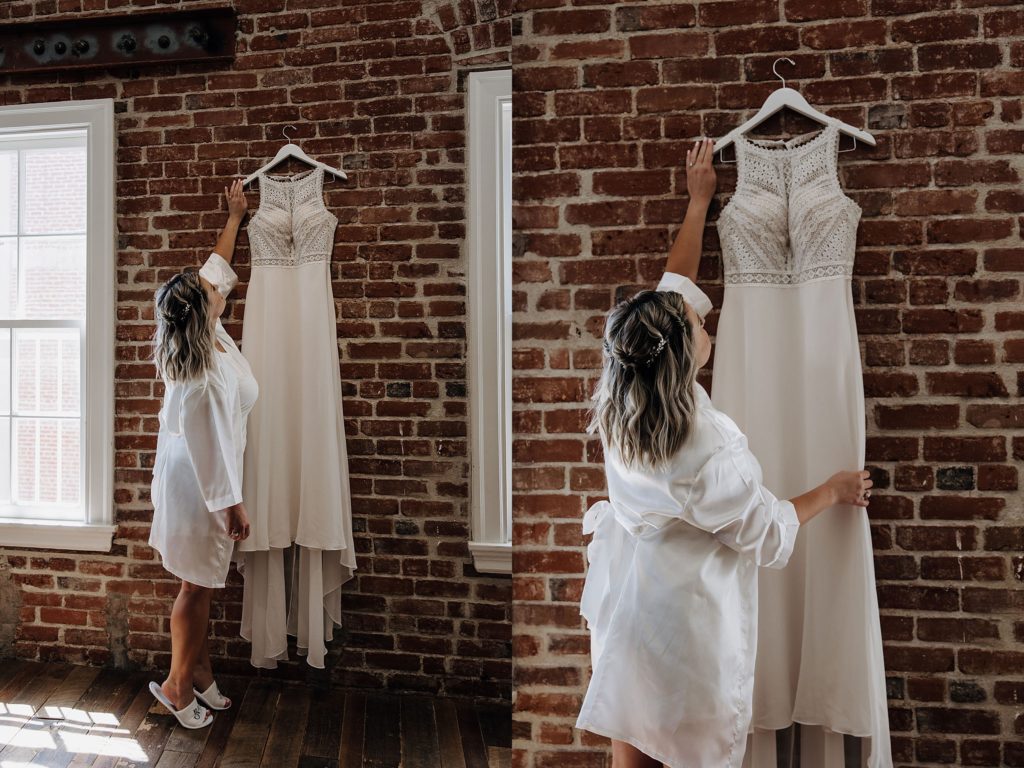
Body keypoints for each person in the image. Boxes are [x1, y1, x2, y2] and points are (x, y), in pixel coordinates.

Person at [574, 138, 873, 767]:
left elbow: (673, 286)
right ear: (684, 356)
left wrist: (698, 205)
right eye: (701, 326)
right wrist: (833, 489)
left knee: (629, 739)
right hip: (684, 625)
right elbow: (765, 533)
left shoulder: (622, 398)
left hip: (628, 606)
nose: (708, 323)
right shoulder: (706, 444)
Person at [147, 180, 257, 729]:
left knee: (203, 581)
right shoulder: (202, 377)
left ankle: (203, 671)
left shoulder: (206, 332)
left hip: (198, 476)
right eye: (209, 291)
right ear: (202, 311)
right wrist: (230, 505)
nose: (217, 288)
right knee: (194, 585)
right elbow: (210, 449)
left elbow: (216, 267)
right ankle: (176, 682)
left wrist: (235, 217)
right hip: (199, 486)